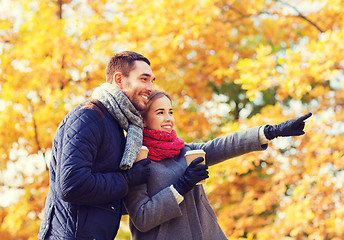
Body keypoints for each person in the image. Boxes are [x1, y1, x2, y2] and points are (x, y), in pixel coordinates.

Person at [123, 90, 312, 240]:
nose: (168, 118)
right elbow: (142, 217)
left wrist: (271, 131)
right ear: (144, 120)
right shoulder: (137, 159)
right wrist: (181, 187)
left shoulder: (185, 150)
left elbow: (224, 145)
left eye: (170, 112)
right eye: (160, 112)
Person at [38, 51, 156, 240]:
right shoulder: (89, 117)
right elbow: (71, 185)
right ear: (119, 79)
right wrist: (127, 180)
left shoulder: (116, 124)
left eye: (152, 81)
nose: (150, 87)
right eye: (144, 79)